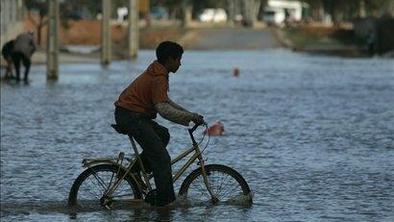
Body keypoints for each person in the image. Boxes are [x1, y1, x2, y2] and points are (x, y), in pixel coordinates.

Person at [114, 41, 204, 207]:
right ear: (170, 59)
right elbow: (163, 109)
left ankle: (133, 171)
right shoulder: (158, 77)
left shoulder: (158, 72)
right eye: (179, 59)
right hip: (131, 116)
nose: (180, 63)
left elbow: (165, 101)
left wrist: (190, 115)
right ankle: (165, 202)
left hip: (131, 115)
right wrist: (188, 117)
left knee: (163, 135)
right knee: (162, 159)